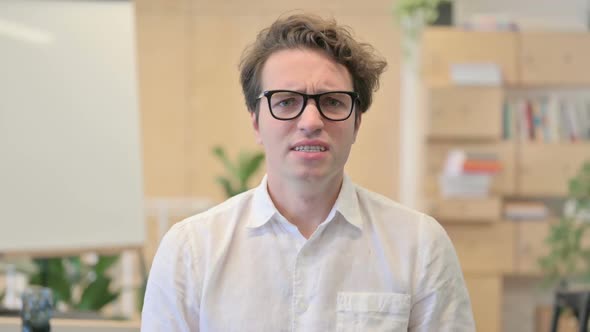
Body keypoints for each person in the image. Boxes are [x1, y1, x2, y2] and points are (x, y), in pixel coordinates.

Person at [141, 13, 476, 332]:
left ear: (357, 122)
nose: (312, 122)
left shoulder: (419, 245)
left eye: (332, 102)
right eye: (286, 101)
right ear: (256, 122)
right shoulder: (190, 251)